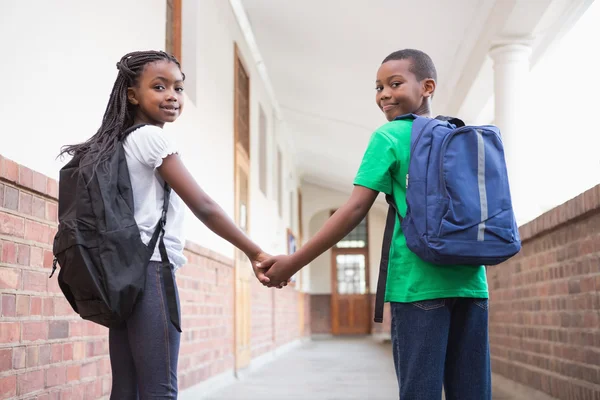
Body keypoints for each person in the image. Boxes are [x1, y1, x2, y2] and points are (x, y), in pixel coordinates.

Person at [259, 49, 491, 400]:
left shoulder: (390, 137)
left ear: (427, 86)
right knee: (473, 392)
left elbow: (353, 210)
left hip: (417, 285)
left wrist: (292, 262)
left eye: (394, 84)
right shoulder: (459, 135)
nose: (384, 94)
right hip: (472, 284)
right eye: (379, 87)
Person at [59, 50, 281, 399]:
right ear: (132, 95)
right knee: (160, 389)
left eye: (178, 88)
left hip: (121, 276)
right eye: (159, 87)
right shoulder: (152, 138)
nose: (172, 96)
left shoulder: (120, 141)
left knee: (127, 387)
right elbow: (204, 206)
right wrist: (256, 252)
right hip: (150, 273)